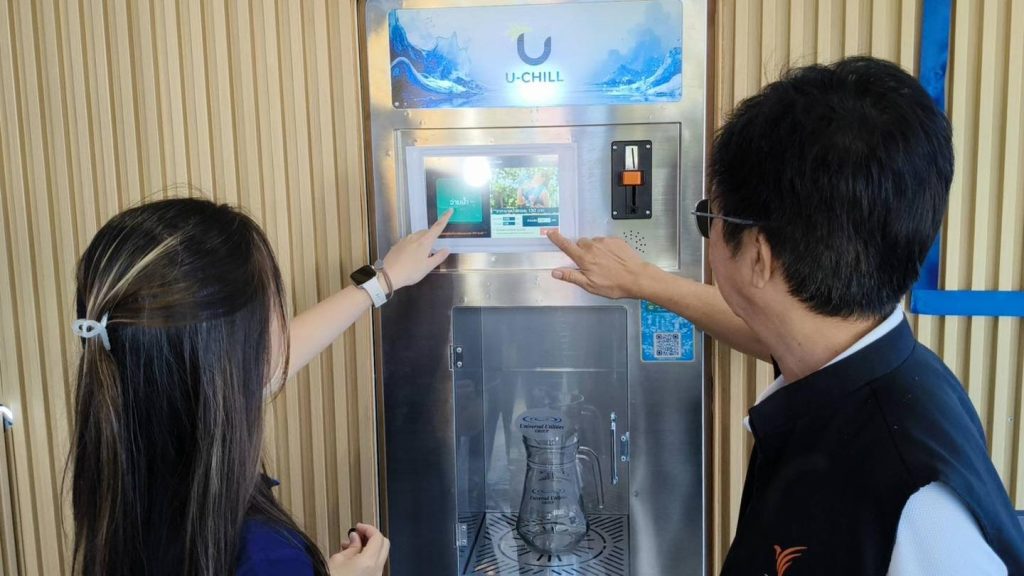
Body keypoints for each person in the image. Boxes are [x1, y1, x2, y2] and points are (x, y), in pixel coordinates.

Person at [546, 57, 1024, 575]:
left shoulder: (923, 514)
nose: (709, 232)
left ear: (759, 255)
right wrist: (644, 281)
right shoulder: (863, 358)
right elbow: (765, 324)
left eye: (709, 216)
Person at [69, 197, 452, 576]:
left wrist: (383, 280)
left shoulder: (126, 463)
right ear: (236, 355)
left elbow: (268, 366)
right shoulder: (264, 556)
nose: (282, 327)